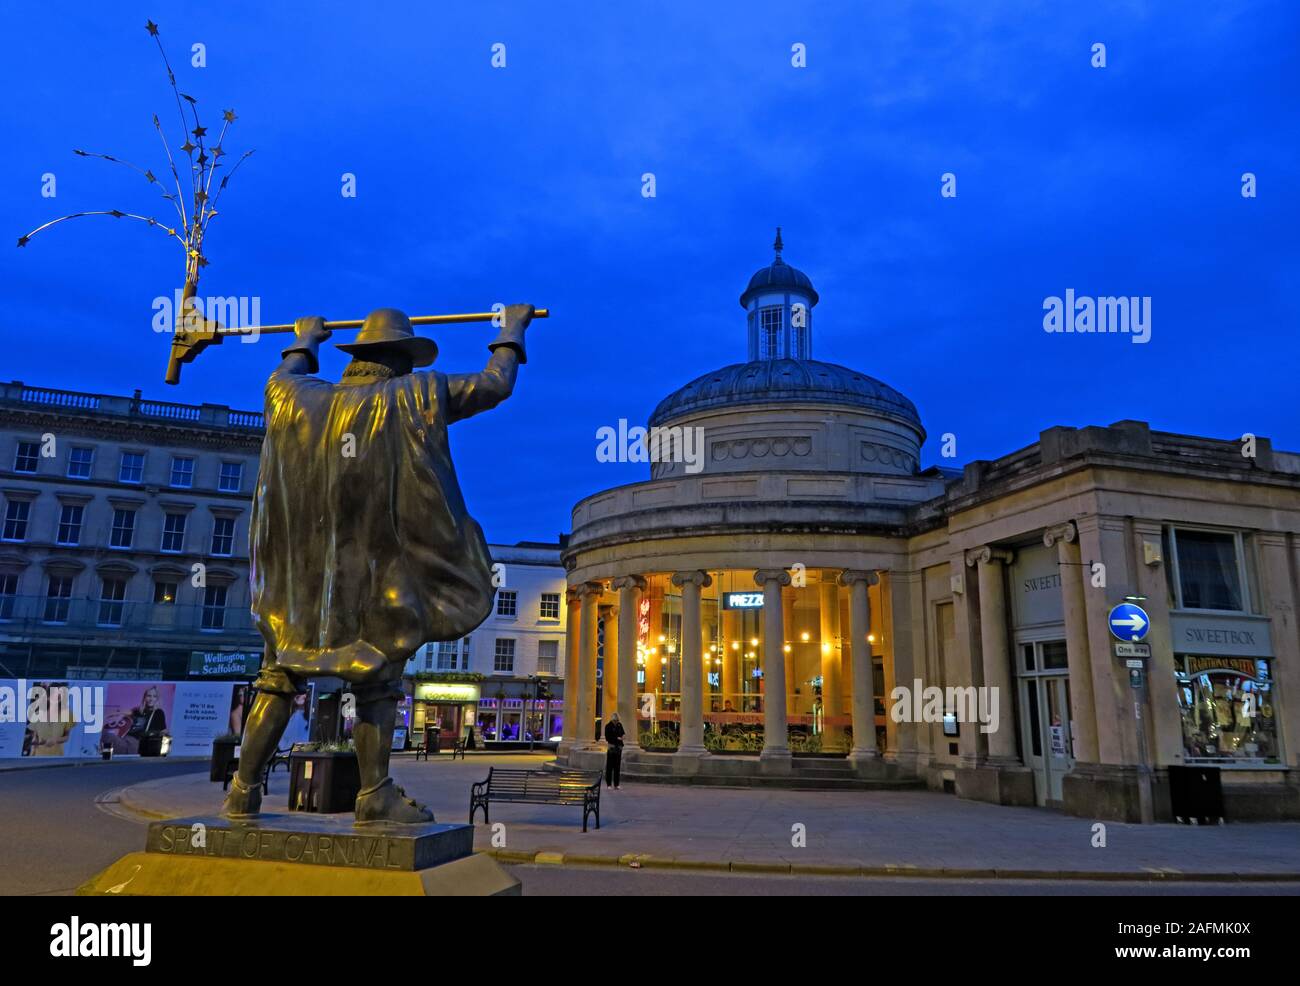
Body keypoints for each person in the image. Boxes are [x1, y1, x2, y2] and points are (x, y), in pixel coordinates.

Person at [222, 305, 533, 823]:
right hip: (372, 571)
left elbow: (281, 375)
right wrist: (511, 331)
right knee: (378, 680)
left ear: (359, 359)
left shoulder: (297, 399)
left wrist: (305, 340)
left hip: (302, 582)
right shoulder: (414, 395)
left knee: (278, 675)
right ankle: (374, 795)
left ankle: (241, 790)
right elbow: (494, 385)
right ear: (399, 360)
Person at [106, 686, 167, 755]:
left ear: (157, 699)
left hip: (137, 743)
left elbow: (164, 731)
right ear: (145, 697)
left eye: (154, 696)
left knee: (108, 737)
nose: (151, 699)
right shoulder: (137, 710)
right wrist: (117, 716)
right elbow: (122, 713)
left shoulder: (158, 712)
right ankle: (105, 758)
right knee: (106, 735)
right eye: (149, 696)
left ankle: (106, 757)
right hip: (125, 739)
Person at [603, 712, 625, 789]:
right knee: (609, 767)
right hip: (612, 747)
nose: (616, 722)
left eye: (617, 721)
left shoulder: (619, 725)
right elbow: (607, 737)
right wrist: (616, 738)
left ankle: (616, 784)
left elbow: (622, 733)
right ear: (612, 720)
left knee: (617, 767)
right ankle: (609, 784)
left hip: (618, 747)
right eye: (615, 721)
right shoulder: (608, 726)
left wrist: (622, 737)